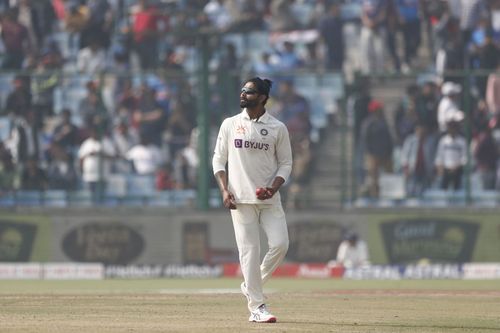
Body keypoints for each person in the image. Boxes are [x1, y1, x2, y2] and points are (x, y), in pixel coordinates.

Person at [212, 77, 292, 323]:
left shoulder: (277, 128)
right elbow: (218, 160)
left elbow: (286, 163)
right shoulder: (230, 124)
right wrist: (225, 190)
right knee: (250, 252)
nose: (243, 94)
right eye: (243, 90)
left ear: (262, 98)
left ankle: (250, 283)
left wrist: (273, 188)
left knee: (280, 244)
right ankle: (257, 307)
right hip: (241, 200)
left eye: (250, 92)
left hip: (269, 199)